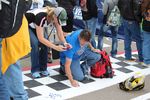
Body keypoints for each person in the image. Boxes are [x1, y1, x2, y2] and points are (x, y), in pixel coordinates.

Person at [25, 6, 71, 78]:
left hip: (37, 25)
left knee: (45, 45)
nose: (59, 23)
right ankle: (35, 70)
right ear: (54, 16)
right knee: (35, 44)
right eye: (59, 21)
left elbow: (60, 33)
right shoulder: (42, 17)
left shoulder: (56, 17)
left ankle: (43, 68)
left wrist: (65, 43)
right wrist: (56, 47)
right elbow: (41, 38)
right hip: (27, 25)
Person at [141, 0, 150, 67]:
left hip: (146, 25)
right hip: (146, 25)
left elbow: (142, 13)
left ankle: (146, 61)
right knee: (146, 44)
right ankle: (146, 61)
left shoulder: (144, 3)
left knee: (146, 44)